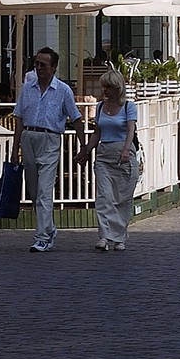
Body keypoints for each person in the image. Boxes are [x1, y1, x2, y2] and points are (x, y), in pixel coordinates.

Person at [11, 47, 85, 252]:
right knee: (34, 191)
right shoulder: (28, 88)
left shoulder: (62, 90)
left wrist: (84, 146)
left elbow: (76, 118)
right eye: (36, 63)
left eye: (43, 64)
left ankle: (42, 237)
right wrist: (14, 149)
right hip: (29, 137)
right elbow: (18, 119)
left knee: (44, 190)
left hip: (50, 138)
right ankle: (49, 228)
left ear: (53, 67)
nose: (39, 68)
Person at [77, 68, 139, 250]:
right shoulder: (100, 107)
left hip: (123, 154)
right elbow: (98, 132)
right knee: (104, 196)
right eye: (103, 86)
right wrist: (87, 150)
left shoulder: (128, 106)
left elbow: (130, 130)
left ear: (117, 88)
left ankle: (119, 237)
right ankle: (104, 236)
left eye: (108, 87)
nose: (105, 90)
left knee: (122, 197)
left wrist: (127, 150)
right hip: (104, 155)